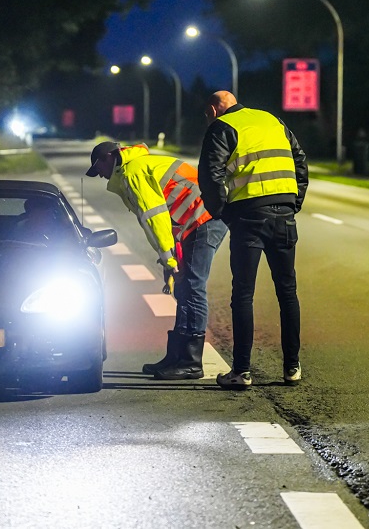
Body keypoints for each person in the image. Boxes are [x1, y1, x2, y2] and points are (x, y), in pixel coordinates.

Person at [86, 141, 228, 379]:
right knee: (184, 288)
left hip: (203, 219)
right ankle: (176, 357)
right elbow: (166, 218)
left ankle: (191, 362)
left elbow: (155, 218)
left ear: (109, 157)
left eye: (98, 167)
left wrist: (168, 259)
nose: (99, 174)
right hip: (194, 221)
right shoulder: (136, 167)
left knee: (192, 287)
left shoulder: (133, 173)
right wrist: (171, 258)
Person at [197, 91, 308, 389]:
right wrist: (293, 202)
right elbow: (300, 160)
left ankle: (242, 372)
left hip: (248, 217)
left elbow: (209, 174)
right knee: (287, 291)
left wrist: (223, 213)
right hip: (284, 215)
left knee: (243, 294)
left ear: (213, 110)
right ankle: (292, 368)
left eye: (207, 115)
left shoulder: (222, 127)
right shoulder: (272, 120)